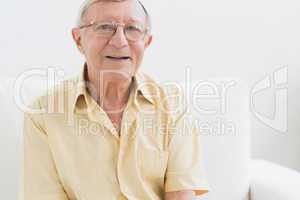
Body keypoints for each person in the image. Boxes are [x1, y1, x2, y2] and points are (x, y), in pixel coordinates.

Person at [22, 0, 209, 199]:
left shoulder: (173, 106)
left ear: (147, 42)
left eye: (132, 29)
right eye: (105, 27)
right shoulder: (42, 114)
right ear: (78, 39)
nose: (119, 41)